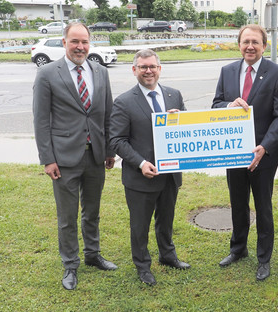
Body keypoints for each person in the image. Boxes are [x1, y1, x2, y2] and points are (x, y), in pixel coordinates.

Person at [33, 22, 117, 291]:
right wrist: (48, 158)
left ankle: (93, 255)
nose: (80, 47)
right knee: (67, 217)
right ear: (64, 42)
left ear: (90, 43)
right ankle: (71, 264)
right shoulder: (47, 73)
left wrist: (109, 150)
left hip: (96, 155)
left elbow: (107, 113)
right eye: (74, 41)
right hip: (64, 159)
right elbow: (41, 120)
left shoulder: (100, 72)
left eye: (85, 42)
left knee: (92, 212)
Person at [212, 24, 278, 281]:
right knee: (238, 203)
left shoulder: (277, 73)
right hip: (233, 153)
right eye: (246, 42)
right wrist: (228, 105)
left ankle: (263, 258)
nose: (250, 46)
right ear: (239, 44)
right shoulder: (227, 71)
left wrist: (265, 146)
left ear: (264, 45)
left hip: (263, 154)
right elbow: (216, 105)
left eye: (255, 42)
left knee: (263, 207)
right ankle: (238, 249)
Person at [109, 49, 190, 286]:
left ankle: (168, 256)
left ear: (159, 69)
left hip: (170, 174)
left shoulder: (174, 95)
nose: (148, 71)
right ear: (134, 70)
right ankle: (143, 265)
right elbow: (116, 140)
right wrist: (141, 163)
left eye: (152, 66)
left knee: (166, 219)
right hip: (140, 177)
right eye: (143, 67)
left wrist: (180, 120)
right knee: (140, 225)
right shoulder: (124, 101)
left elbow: (185, 131)